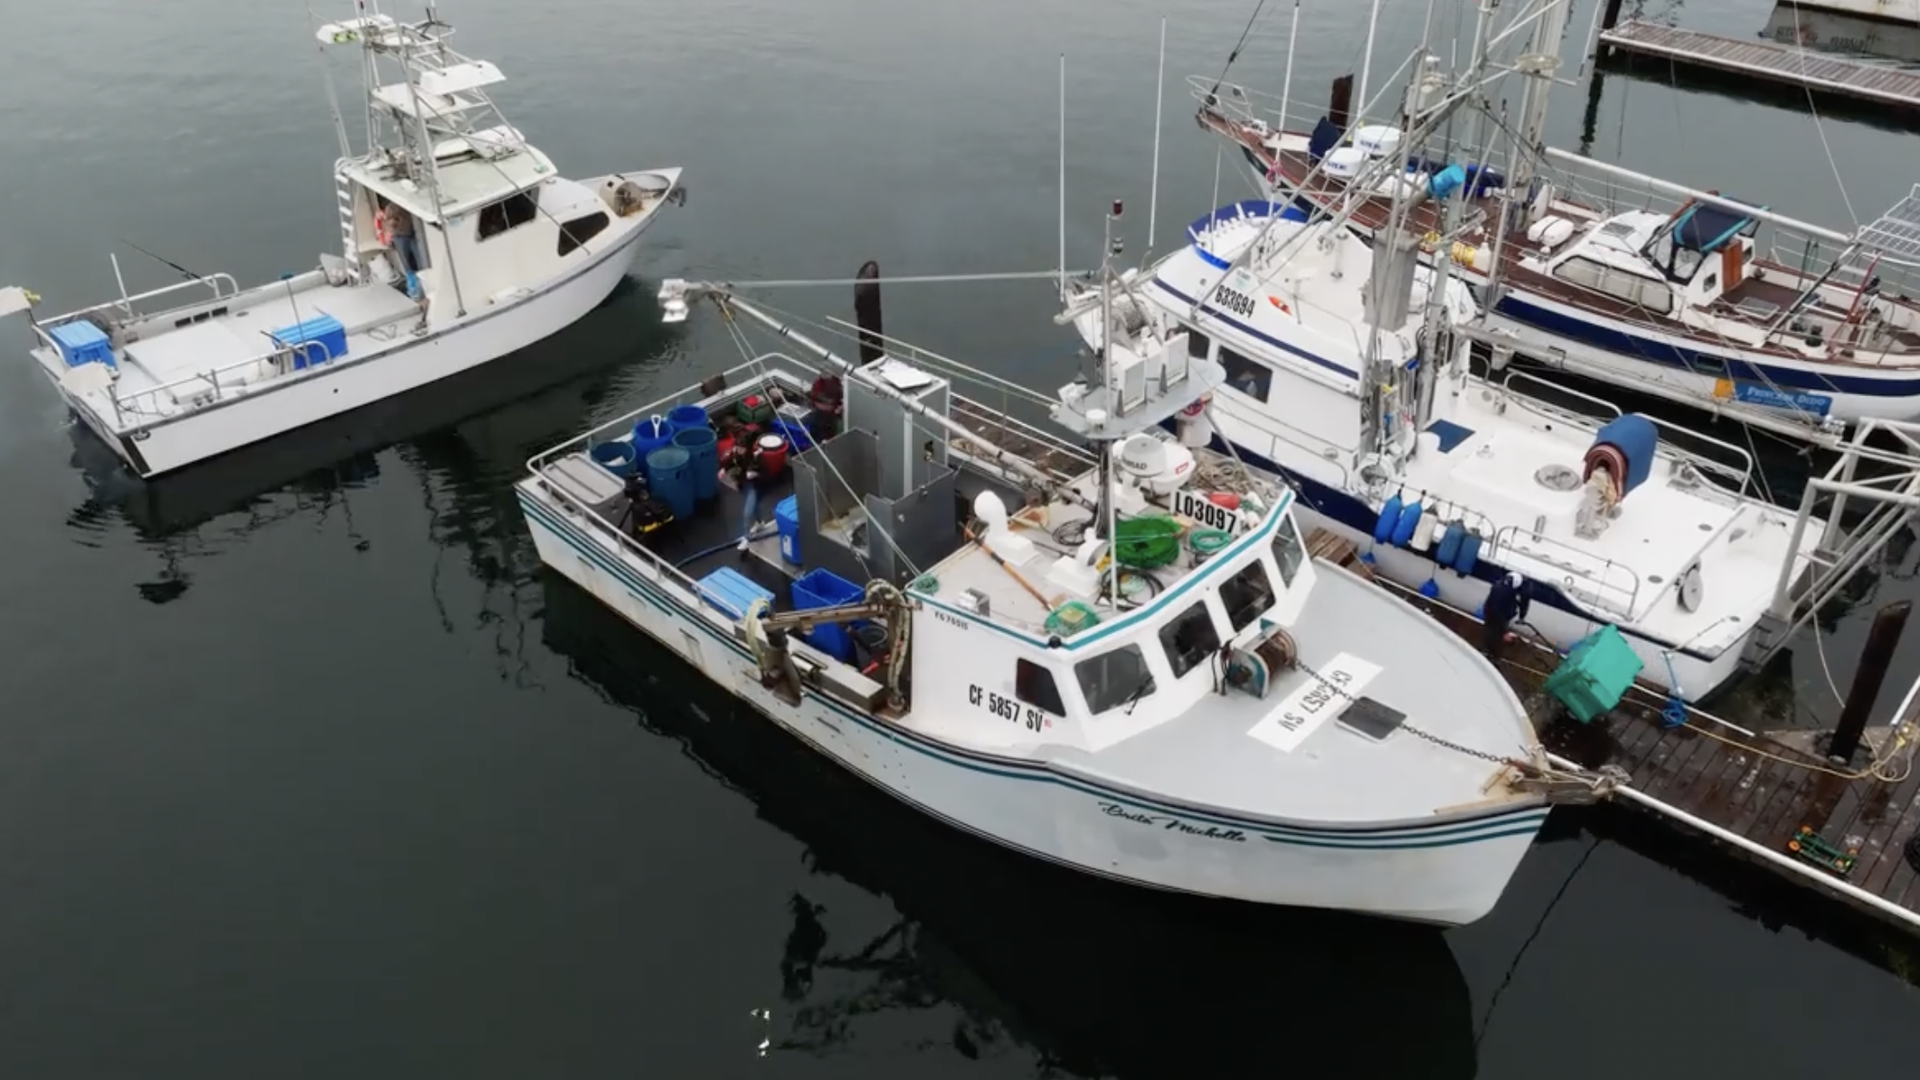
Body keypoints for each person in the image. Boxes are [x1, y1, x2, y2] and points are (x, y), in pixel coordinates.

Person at [378, 196, 423, 300]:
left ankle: (419, 286)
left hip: (412, 234)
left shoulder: (408, 206)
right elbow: (389, 224)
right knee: (407, 264)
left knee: (420, 260)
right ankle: (413, 289)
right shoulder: (391, 209)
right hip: (400, 236)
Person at [1481, 571, 1529, 663]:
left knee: (1492, 630)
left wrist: (1522, 615)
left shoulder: (1502, 586)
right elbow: (1496, 611)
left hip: (1496, 610)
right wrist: (1505, 631)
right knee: (1493, 631)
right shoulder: (1501, 591)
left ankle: (1491, 653)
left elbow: (1524, 601)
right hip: (1495, 612)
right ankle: (1493, 655)